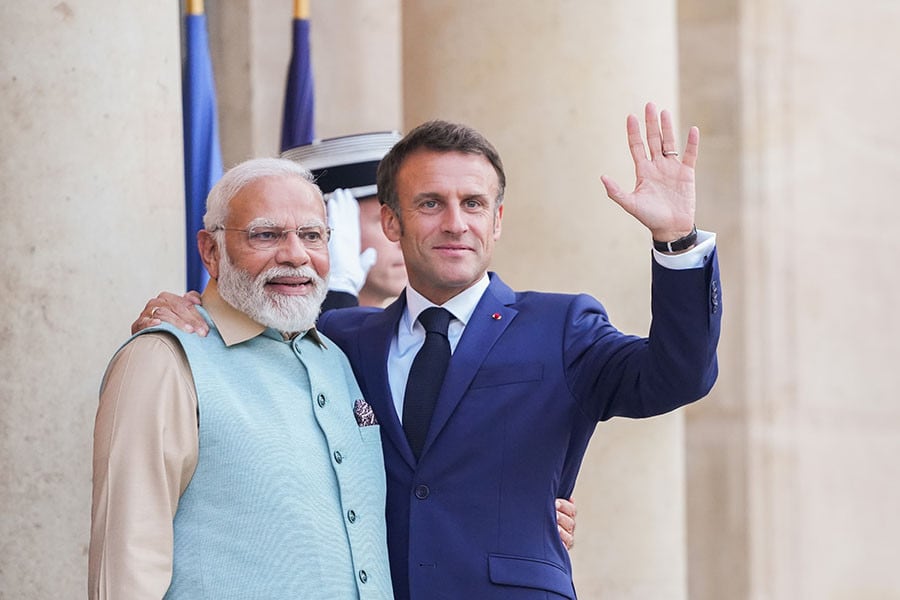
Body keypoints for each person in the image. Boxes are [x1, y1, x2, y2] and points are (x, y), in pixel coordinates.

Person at [135, 103, 721, 599]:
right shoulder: (340, 341)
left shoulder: (562, 325)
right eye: (430, 203)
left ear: (497, 221)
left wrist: (677, 244)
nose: (454, 223)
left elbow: (677, 374)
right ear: (391, 221)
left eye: (472, 203)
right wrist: (193, 313)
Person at [89, 158, 393, 598]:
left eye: (312, 235)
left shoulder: (336, 359)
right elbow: (126, 571)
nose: (295, 254)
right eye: (266, 234)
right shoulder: (163, 360)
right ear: (211, 251)